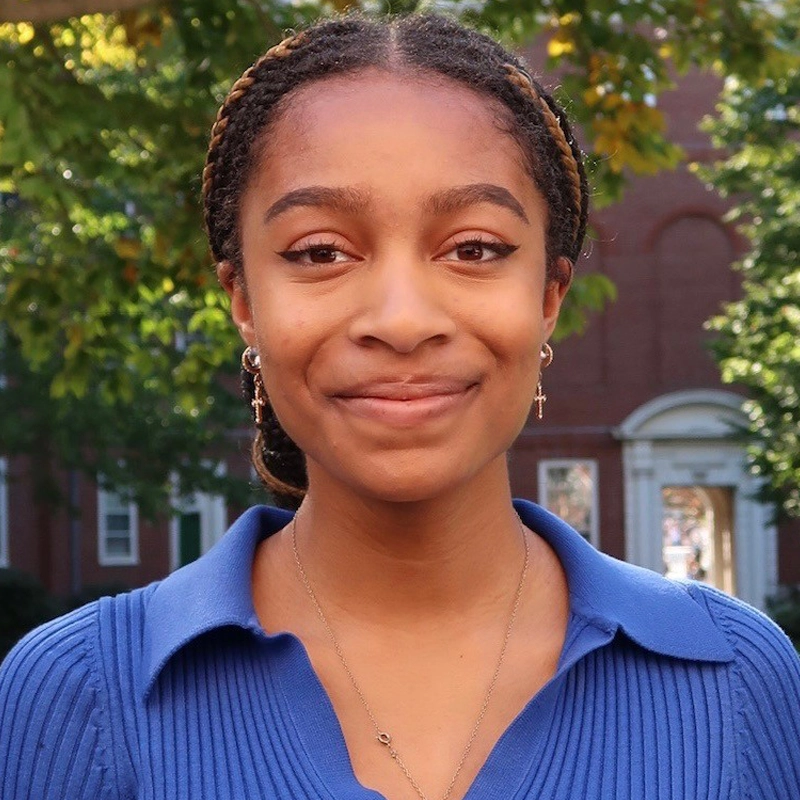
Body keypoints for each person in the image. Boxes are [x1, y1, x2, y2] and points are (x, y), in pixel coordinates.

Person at [1, 13, 799, 800]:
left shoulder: (737, 677)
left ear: (549, 297)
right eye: (320, 252)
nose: (403, 320)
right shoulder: (78, 694)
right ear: (242, 299)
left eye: (474, 249)